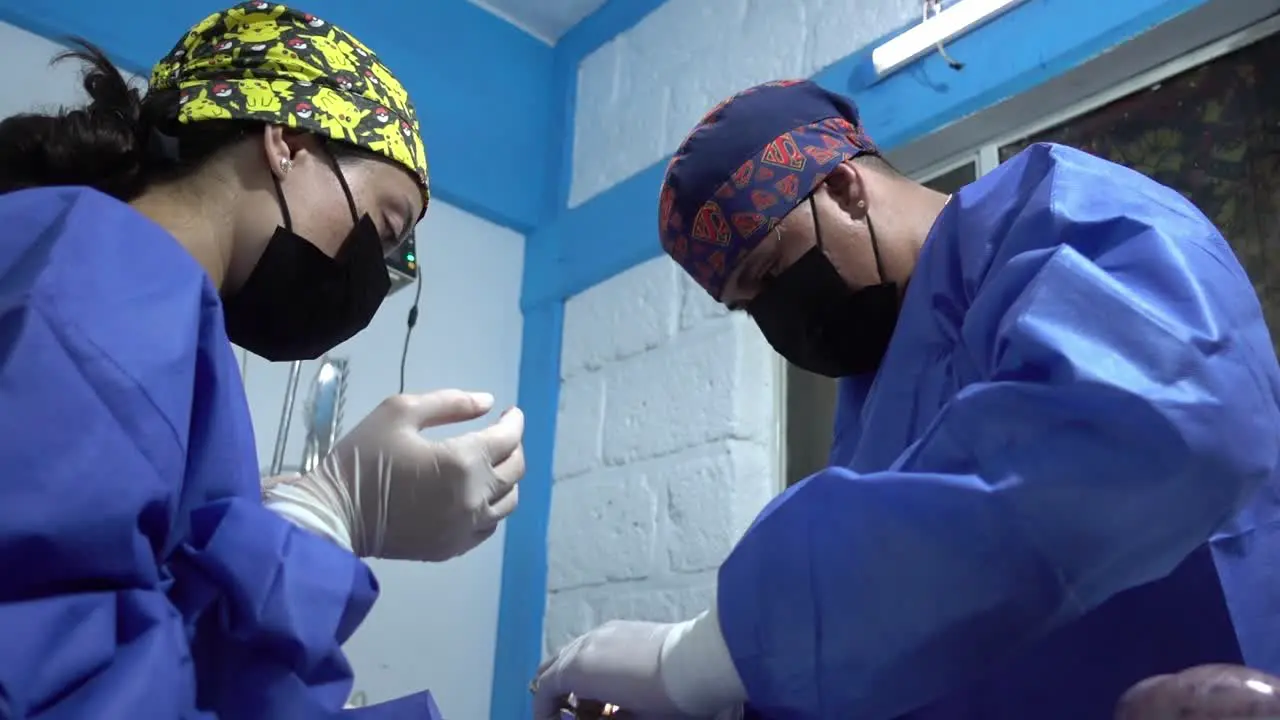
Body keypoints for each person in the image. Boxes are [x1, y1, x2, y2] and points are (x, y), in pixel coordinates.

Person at [532, 79, 1280, 719]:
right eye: (744, 304)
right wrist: (730, 699)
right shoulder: (875, 400)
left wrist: (693, 656)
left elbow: (1163, 433)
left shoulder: (1072, 220)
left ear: (844, 187)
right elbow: (888, 631)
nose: (773, 316)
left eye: (767, 270)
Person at [0, 3, 524, 718]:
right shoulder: (104, 286)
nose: (377, 268)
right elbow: (59, 689)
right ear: (289, 140)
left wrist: (266, 535)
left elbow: (174, 661)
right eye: (389, 225)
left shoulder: (152, 317)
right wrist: (325, 520)